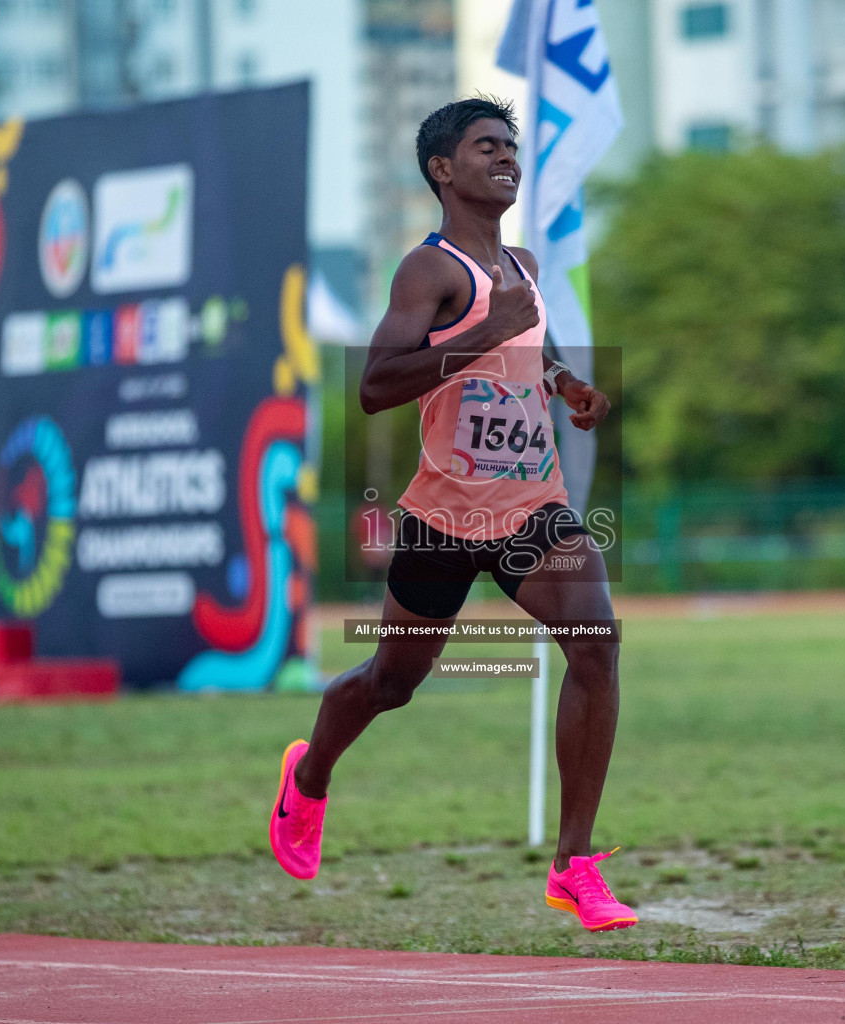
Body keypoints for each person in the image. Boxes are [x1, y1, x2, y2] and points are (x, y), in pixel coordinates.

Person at [269, 98, 635, 932]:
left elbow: (525, 346)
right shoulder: (427, 271)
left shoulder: (526, 266)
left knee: (598, 644)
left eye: (511, 146)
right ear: (444, 169)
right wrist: (484, 333)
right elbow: (375, 388)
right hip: (442, 517)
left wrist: (565, 384)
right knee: (391, 684)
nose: (506, 157)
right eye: (486, 146)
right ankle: (310, 775)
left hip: (533, 508)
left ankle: (574, 863)